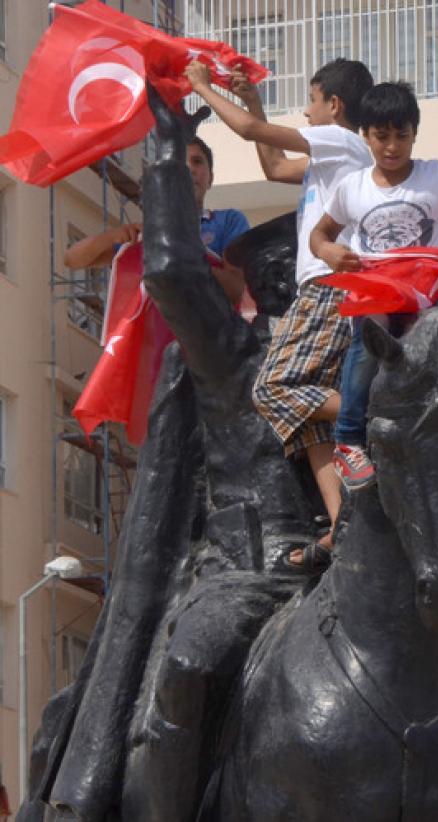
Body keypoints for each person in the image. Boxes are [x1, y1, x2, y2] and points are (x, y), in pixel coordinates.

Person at [186, 57, 374, 572]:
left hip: (330, 288)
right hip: (321, 288)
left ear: (334, 105)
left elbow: (250, 133)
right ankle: (342, 523)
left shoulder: (345, 141)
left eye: (312, 102)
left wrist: (203, 86)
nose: (307, 113)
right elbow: (271, 166)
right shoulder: (330, 159)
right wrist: (251, 100)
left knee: (274, 389)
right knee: (306, 420)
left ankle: (380, 410)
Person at [309, 81, 438, 490]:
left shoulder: (436, 176)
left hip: (433, 297)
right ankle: (348, 440)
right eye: (381, 137)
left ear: (414, 135)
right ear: (366, 136)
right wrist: (328, 252)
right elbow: (319, 235)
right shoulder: (351, 189)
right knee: (370, 335)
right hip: (377, 295)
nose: (392, 147)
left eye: (401, 136)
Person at [64, 136, 249, 303]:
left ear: (211, 179)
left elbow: (236, 289)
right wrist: (112, 236)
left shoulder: (229, 221)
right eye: (179, 163)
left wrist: (184, 262)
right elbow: (72, 259)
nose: (190, 169)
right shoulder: (150, 235)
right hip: (158, 337)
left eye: (197, 161)